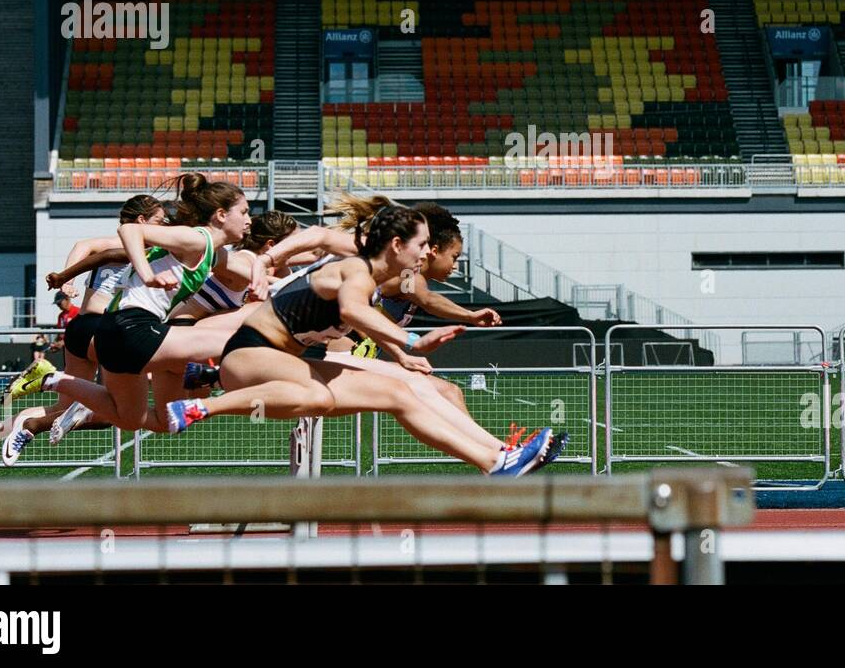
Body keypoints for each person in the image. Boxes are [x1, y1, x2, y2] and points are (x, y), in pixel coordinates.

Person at [164, 195, 556, 476]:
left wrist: (401, 357)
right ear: (398, 245)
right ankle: (204, 402)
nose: (425, 254)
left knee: (398, 394)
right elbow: (353, 310)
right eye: (421, 246)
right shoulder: (356, 270)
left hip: (289, 359)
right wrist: (410, 343)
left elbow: (367, 317)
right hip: (250, 356)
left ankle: (496, 462)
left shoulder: (380, 279)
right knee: (318, 397)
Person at [6, 173, 267, 434]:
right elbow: (129, 229)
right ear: (221, 215)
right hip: (133, 327)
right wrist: (147, 274)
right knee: (242, 343)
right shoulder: (197, 239)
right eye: (244, 212)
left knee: (131, 420)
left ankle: (52, 380)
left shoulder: (214, 252)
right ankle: (215, 388)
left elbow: (245, 265)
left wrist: (265, 277)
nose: (249, 220)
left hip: (119, 332)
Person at [0, 196, 165, 470]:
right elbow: (84, 247)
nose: (164, 226)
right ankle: (48, 377)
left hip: (81, 331)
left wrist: (67, 277)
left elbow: (85, 246)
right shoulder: (125, 245)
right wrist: (67, 278)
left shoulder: (149, 251)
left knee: (63, 409)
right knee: (112, 412)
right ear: (142, 221)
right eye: (159, 221)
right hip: (103, 330)